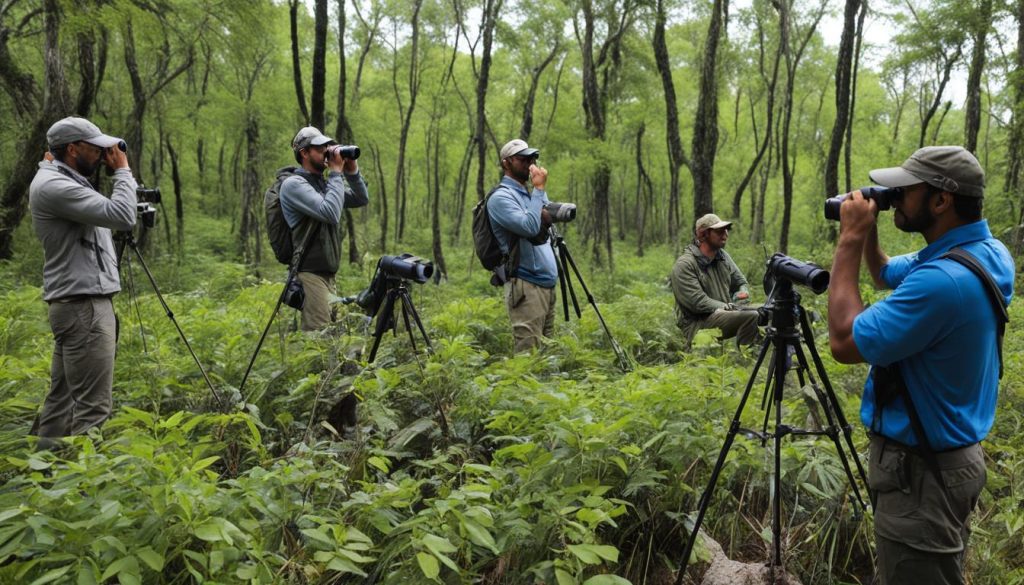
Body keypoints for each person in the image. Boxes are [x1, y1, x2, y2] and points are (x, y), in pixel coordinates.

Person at [828, 146, 1014, 584]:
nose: (893, 195)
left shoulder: (943, 282)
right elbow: (884, 273)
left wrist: (851, 237)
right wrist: (872, 227)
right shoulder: (984, 252)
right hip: (947, 466)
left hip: (922, 477)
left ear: (941, 200)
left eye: (904, 190)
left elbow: (843, 340)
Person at [28, 116, 138, 449]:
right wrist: (122, 171)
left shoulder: (63, 179)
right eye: (97, 148)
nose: (104, 154)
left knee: (61, 401)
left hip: (77, 305)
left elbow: (108, 214)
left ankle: (43, 477)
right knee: (92, 407)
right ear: (73, 148)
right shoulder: (54, 185)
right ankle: (85, 488)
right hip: (84, 307)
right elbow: (122, 215)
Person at [280, 126, 369, 331]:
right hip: (309, 274)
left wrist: (352, 171)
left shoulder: (321, 184)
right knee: (319, 338)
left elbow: (361, 198)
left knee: (333, 338)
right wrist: (336, 173)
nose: (327, 151)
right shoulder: (294, 185)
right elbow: (330, 213)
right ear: (304, 153)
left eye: (329, 146)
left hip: (328, 275)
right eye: (321, 148)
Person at [486, 139, 558, 352]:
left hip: (547, 285)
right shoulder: (500, 198)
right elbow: (529, 227)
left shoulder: (530, 194)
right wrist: (538, 189)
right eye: (522, 158)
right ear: (506, 163)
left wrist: (538, 193)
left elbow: (547, 223)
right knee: (528, 356)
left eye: (532, 158)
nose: (529, 162)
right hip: (526, 285)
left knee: (547, 355)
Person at [671, 213, 760, 349]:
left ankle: (770, 357)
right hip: (697, 325)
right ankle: (745, 361)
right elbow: (698, 303)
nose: (725, 234)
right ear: (703, 234)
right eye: (719, 231)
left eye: (726, 230)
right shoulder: (685, 264)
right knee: (751, 316)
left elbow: (741, 282)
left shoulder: (722, 256)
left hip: (723, 314)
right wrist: (727, 307)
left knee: (769, 311)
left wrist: (742, 292)